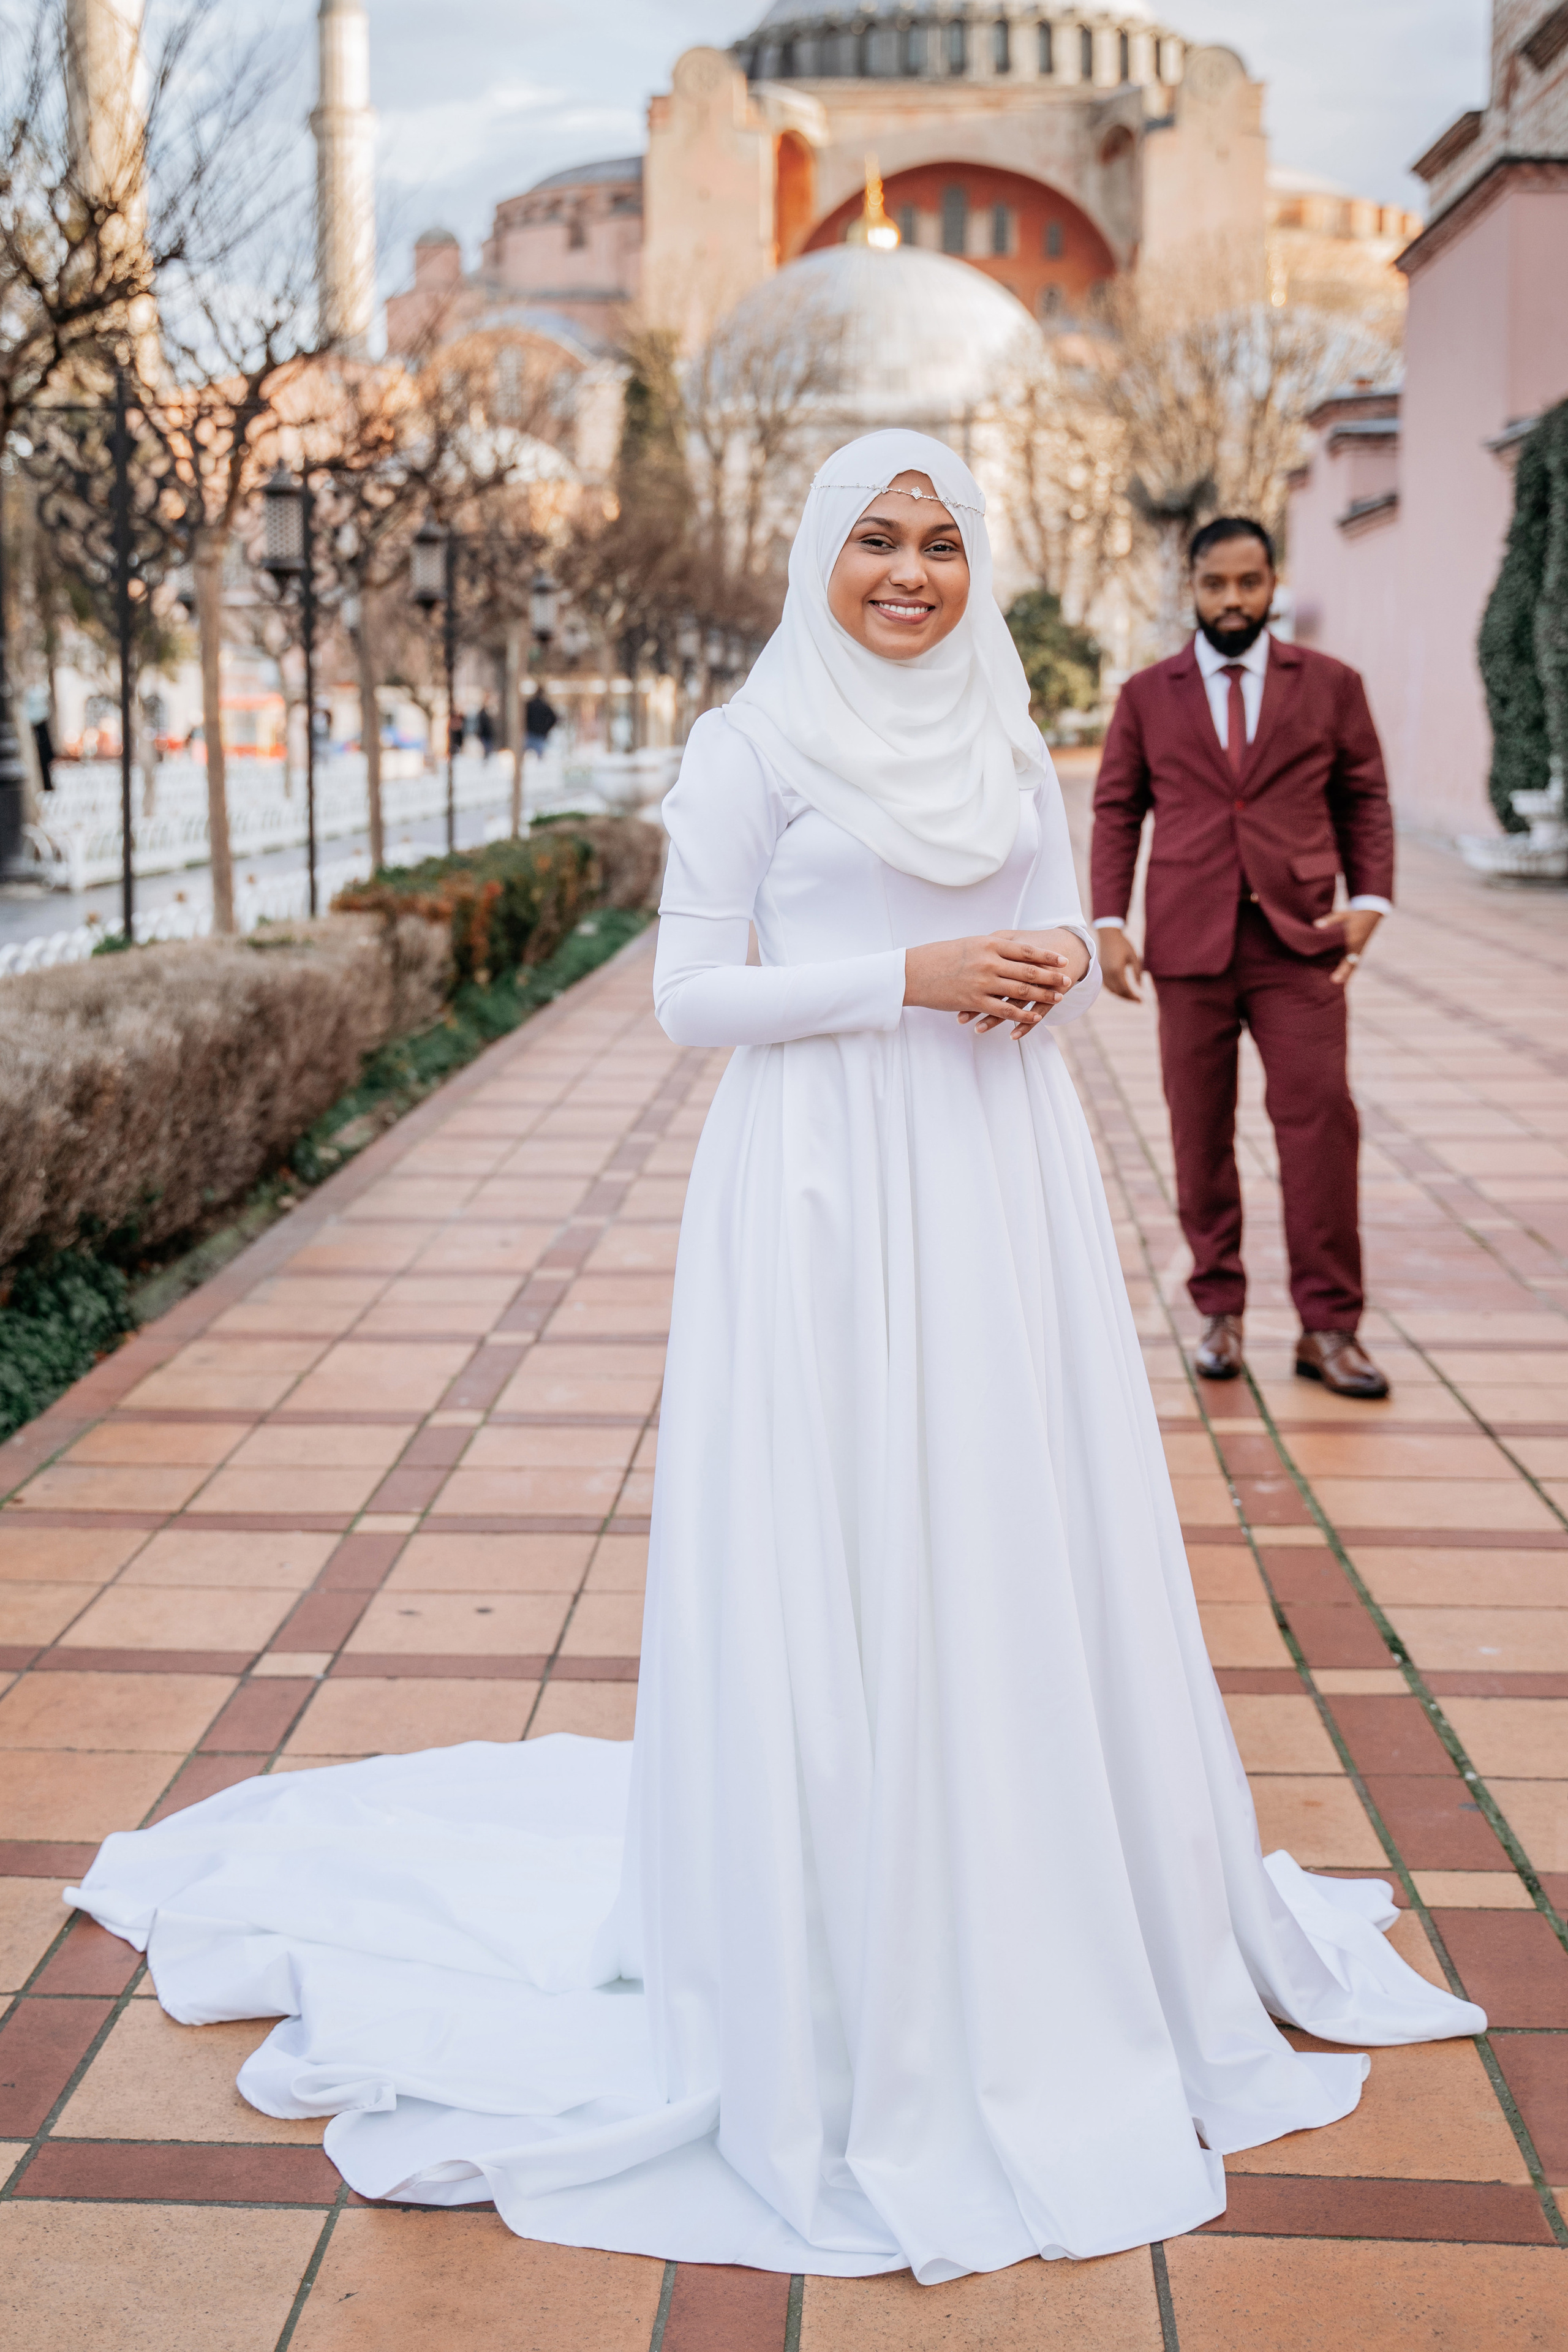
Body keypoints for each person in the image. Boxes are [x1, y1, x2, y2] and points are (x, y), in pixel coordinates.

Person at [69, 436, 1479, 2282]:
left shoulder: (991, 729)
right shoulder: (746, 747)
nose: (911, 574)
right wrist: (900, 980)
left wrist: (1046, 956)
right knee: (841, 1528)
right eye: (878, 541)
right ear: (821, 553)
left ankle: (1019, 1889)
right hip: (817, 1180)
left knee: (991, 1517)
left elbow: (1057, 909)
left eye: (943, 543)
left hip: (988, 1177)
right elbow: (684, 996)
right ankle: (833, 1923)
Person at [1090, 519, 1395, 1400]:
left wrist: (1370, 901)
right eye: (1216, 584)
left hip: (1300, 943)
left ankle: (1329, 1329)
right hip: (1187, 947)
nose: (1233, 600)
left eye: (1249, 583)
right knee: (1199, 1137)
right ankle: (1218, 1313)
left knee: (1321, 1132)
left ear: (1273, 583)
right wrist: (1109, 920)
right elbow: (1117, 809)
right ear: (1192, 584)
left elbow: (1364, 794)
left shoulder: (1332, 685)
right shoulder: (1149, 693)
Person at [524, 686, 558, 759]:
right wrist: (546, 729)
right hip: (540, 735)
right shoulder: (545, 707)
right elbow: (554, 719)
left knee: (525, 757)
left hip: (529, 734)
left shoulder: (529, 705)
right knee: (540, 759)